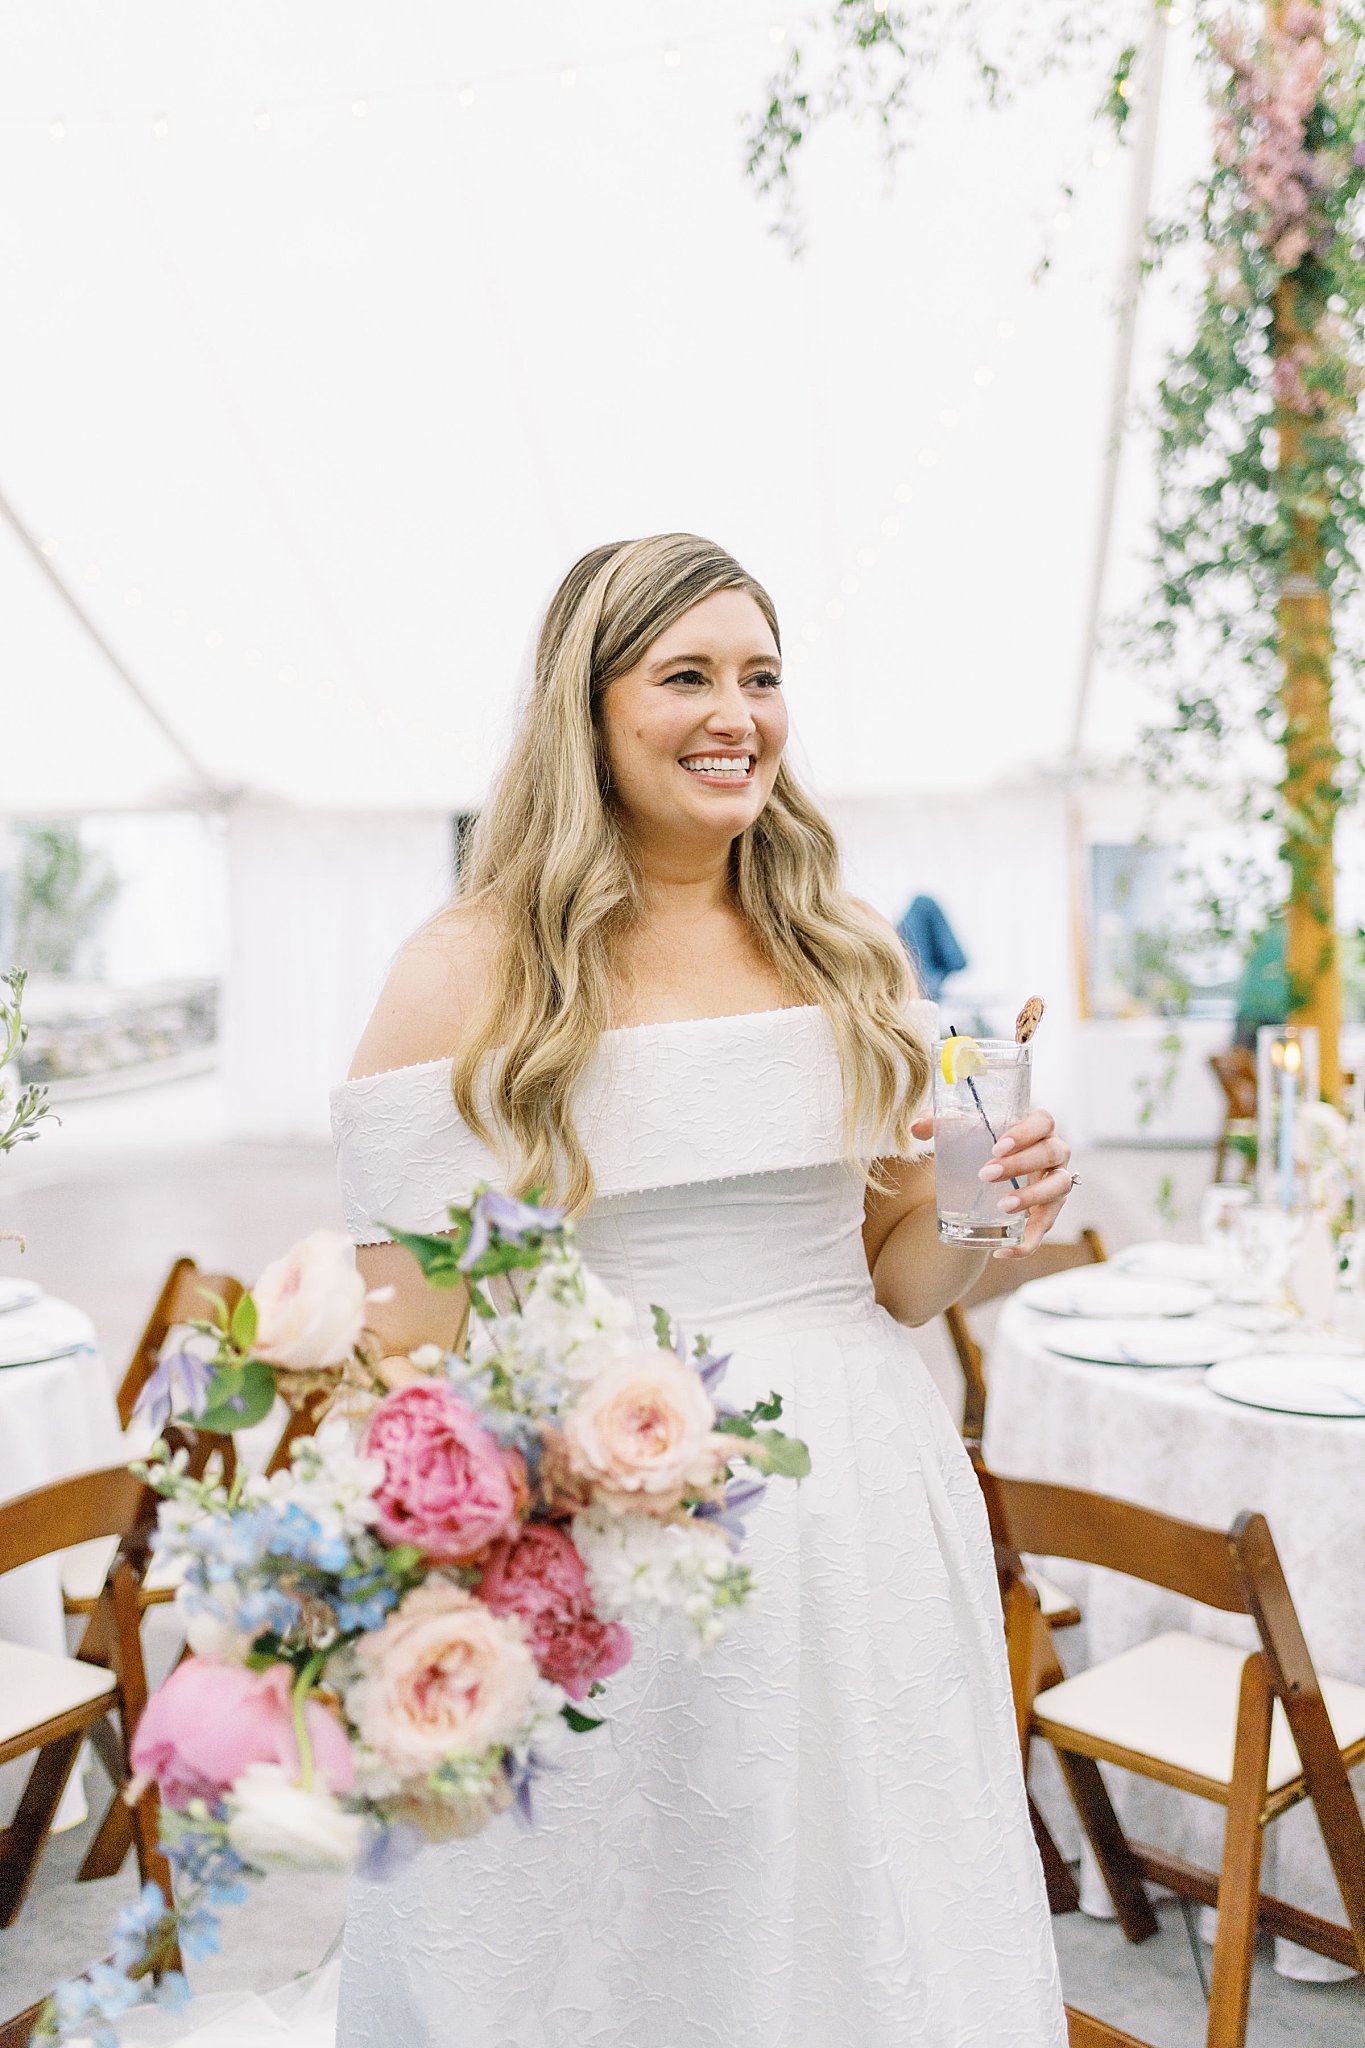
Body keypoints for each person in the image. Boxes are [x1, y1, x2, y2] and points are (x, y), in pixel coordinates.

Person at [330, 534, 1076, 2046]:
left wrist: (983, 1213)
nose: (736, 712)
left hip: (857, 1506)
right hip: (596, 1529)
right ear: (586, 712)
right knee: (599, 1933)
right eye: (686, 676)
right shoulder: (464, 971)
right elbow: (408, 1352)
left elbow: (897, 1279)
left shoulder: (847, 949)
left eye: (760, 676)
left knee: (853, 1914)